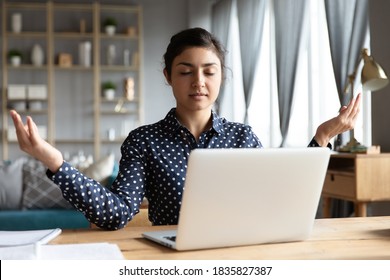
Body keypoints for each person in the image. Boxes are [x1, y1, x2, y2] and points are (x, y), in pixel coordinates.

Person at [10, 27, 361, 230]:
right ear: (168, 76)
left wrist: (323, 137)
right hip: (168, 261)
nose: (199, 82)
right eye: (185, 71)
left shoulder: (243, 138)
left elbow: (279, 200)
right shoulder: (143, 141)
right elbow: (116, 214)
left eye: (209, 71)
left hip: (238, 256)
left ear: (221, 76)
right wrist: (55, 161)